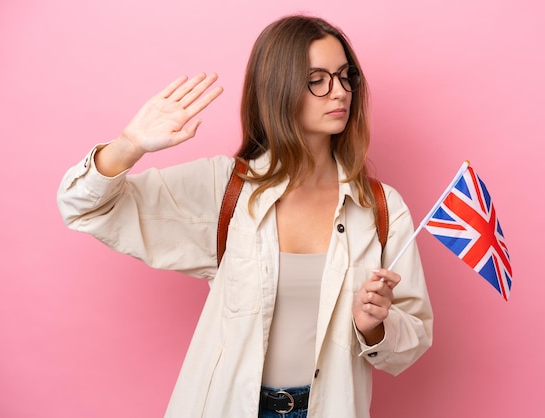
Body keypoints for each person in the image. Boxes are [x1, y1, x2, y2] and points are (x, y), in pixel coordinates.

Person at [57, 14, 433, 418]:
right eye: (317, 79)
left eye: (346, 76)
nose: (338, 92)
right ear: (278, 88)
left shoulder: (379, 206)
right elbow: (85, 205)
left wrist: (374, 326)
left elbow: (413, 338)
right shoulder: (225, 189)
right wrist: (129, 145)